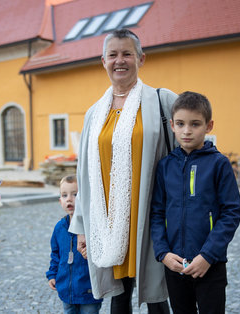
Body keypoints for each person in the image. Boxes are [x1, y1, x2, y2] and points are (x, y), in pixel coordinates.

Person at [69, 28, 177, 313]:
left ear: (141, 59)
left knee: (157, 294)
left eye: (127, 53)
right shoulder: (94, 113)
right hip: (108, 222)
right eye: (113, 54)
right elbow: (84, 175)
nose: (120, 60)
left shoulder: (162, 101)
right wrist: (81, 228)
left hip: (152, 216)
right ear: (102, 60)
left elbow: (194, 143)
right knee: (119, 297)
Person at [150, 91, 240, 314]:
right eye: (180, 124)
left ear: (209, 126)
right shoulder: (165, 166)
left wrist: (208, 255)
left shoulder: (219, 164)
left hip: (210, 264)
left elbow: (231, 213)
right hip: (175, 265)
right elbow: (156, 213)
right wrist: (163, 253)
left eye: (195, 124)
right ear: (172, 125)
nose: (187, 131)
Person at [46, 175, 102, 314]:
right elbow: (55, 254)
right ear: (60, 201)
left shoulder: (92, 227)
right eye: (64, 195)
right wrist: (52, 275)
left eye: (75, 194)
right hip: (66, 291)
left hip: (88, 291)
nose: (69, 199)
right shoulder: (59, 228)